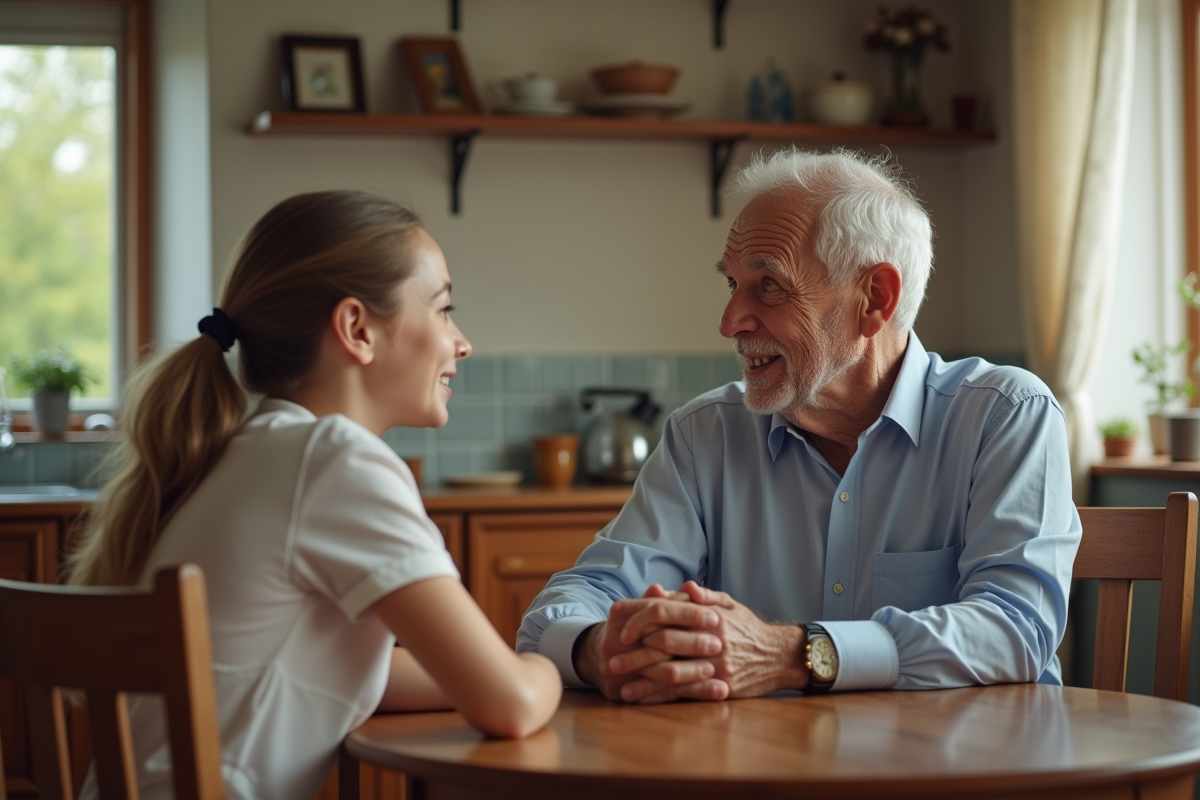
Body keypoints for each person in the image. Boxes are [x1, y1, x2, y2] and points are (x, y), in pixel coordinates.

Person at [517, 148, 1081, 704]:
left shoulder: (1004, 414)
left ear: (875, 299)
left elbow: (1015, 629)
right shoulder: (704, 435)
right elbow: (574, 602)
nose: (729, 322)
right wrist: (601, 647)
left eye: (768, 286)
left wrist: (790, 654)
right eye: (731, 284)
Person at [67, 191, 562, 800]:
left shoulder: (247, 452)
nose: (462, 343)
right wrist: (549, 668)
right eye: (443, 309)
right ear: (357, 328)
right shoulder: (336, 463)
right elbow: (510, 706)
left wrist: (505, 670)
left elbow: (333, 671)